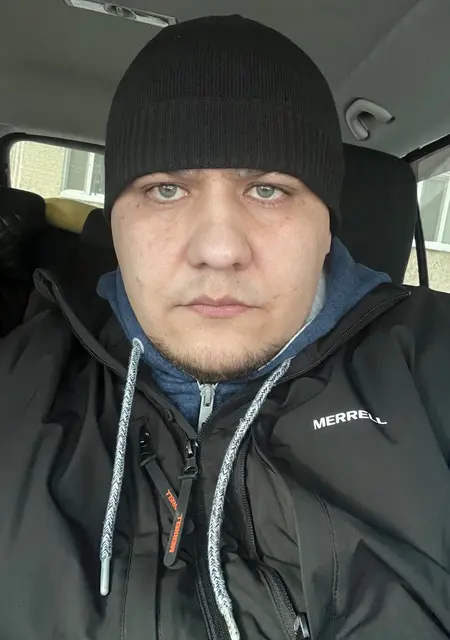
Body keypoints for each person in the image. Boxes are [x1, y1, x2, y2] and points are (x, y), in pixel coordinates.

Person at [1, 14, 450, 640]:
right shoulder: (17, 387)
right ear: (115, 224)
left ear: (327, 226)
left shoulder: (433, 370)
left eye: (267, 190)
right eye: (165, 189)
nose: (218, 250)